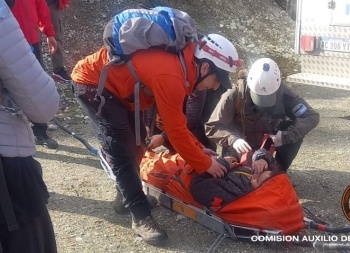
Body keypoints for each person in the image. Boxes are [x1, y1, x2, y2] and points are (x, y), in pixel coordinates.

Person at [71, 33, 242, 245]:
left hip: (120, 89)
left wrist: (199, 149)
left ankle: (125, 197)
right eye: (216, 80)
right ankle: (140, 216)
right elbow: (176, 131)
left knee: (138, 142)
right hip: (93, 83)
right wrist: (206, 164)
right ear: (205, 68)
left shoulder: (185, 66)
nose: (215, 87)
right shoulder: (172, 73)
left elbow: (177, 122)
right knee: (120, 149)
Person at [0, 1, 60, 252]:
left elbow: (41, 8)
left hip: (30, 36)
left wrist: (48, 31)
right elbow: (43, 106)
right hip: (8, 174)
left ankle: (42, 135)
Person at [205, 58, 320, 172]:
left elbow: (311, 116)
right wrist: (233, 140)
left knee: (295, 135)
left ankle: (278, 170)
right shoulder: (233, 95)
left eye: (268, 97)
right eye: (259, 96)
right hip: (240, 147)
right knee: (239, 178)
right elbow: (212, 127)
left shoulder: (284, 93)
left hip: (268, 145)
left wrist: (285, 136)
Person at [10, 0, 59, 149]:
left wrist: (49, 33)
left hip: (31, 42)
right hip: (7, 43)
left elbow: (41, 8)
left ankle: (40, 132)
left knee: (36, 88)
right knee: (7, 89)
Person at [190, 148, 280, 208]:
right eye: (261, 172)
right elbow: (267, 157)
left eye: (256, 179)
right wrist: (261, 157)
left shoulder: (233, 194)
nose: (254, 174)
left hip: (198, 169)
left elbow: (197, 186)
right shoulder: (262, 177)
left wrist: (222, 163)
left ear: (257, 194)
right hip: (217, 161)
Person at [47, 0, 72, 82]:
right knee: (33, 39)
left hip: (51, 4)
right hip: (29, 5)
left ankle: (58, 69)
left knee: (56, 35)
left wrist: (65, 1)